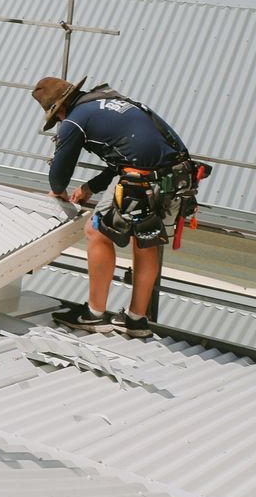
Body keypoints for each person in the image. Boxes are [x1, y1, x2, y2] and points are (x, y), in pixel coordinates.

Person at [34, 76, 199, 338]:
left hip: (141, 180)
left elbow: (59, 175)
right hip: (178, 177)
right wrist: (90, 188)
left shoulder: (74, 121)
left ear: (60, 109)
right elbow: (125, 152)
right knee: (147, 240)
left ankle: (95, 314)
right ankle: (136, 321)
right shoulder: (110, 101)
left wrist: (58, 190)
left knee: (95, 231)